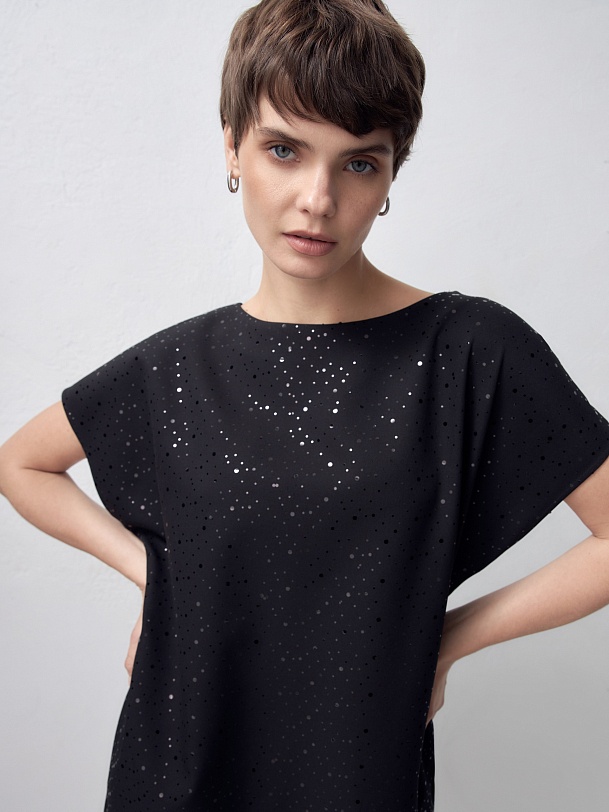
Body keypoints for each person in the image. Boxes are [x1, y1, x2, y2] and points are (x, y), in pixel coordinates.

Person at [1, 0, 609, 809]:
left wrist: (447, 640)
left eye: (358, 163)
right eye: (283, 150)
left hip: (359, 776)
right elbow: (22, 464)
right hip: (177, 772)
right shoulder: (175, 367)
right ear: (231, 146)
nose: (316, 199)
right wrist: (155, 575)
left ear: (391, 175)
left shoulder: (468, 350)